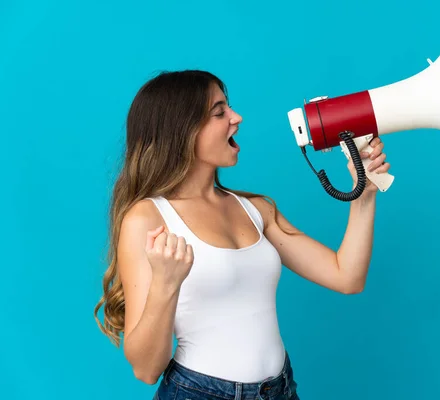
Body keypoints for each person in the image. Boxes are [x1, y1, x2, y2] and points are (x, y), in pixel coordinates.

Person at [94, 70, 391, 400]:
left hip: (279, 390)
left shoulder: (256, 209)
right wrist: (166, 283)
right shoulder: (147, 218)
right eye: (219, 112)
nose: (236, 118)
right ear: (182, 130)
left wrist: (363, 193)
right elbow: (146, 370)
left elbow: (346, 276)